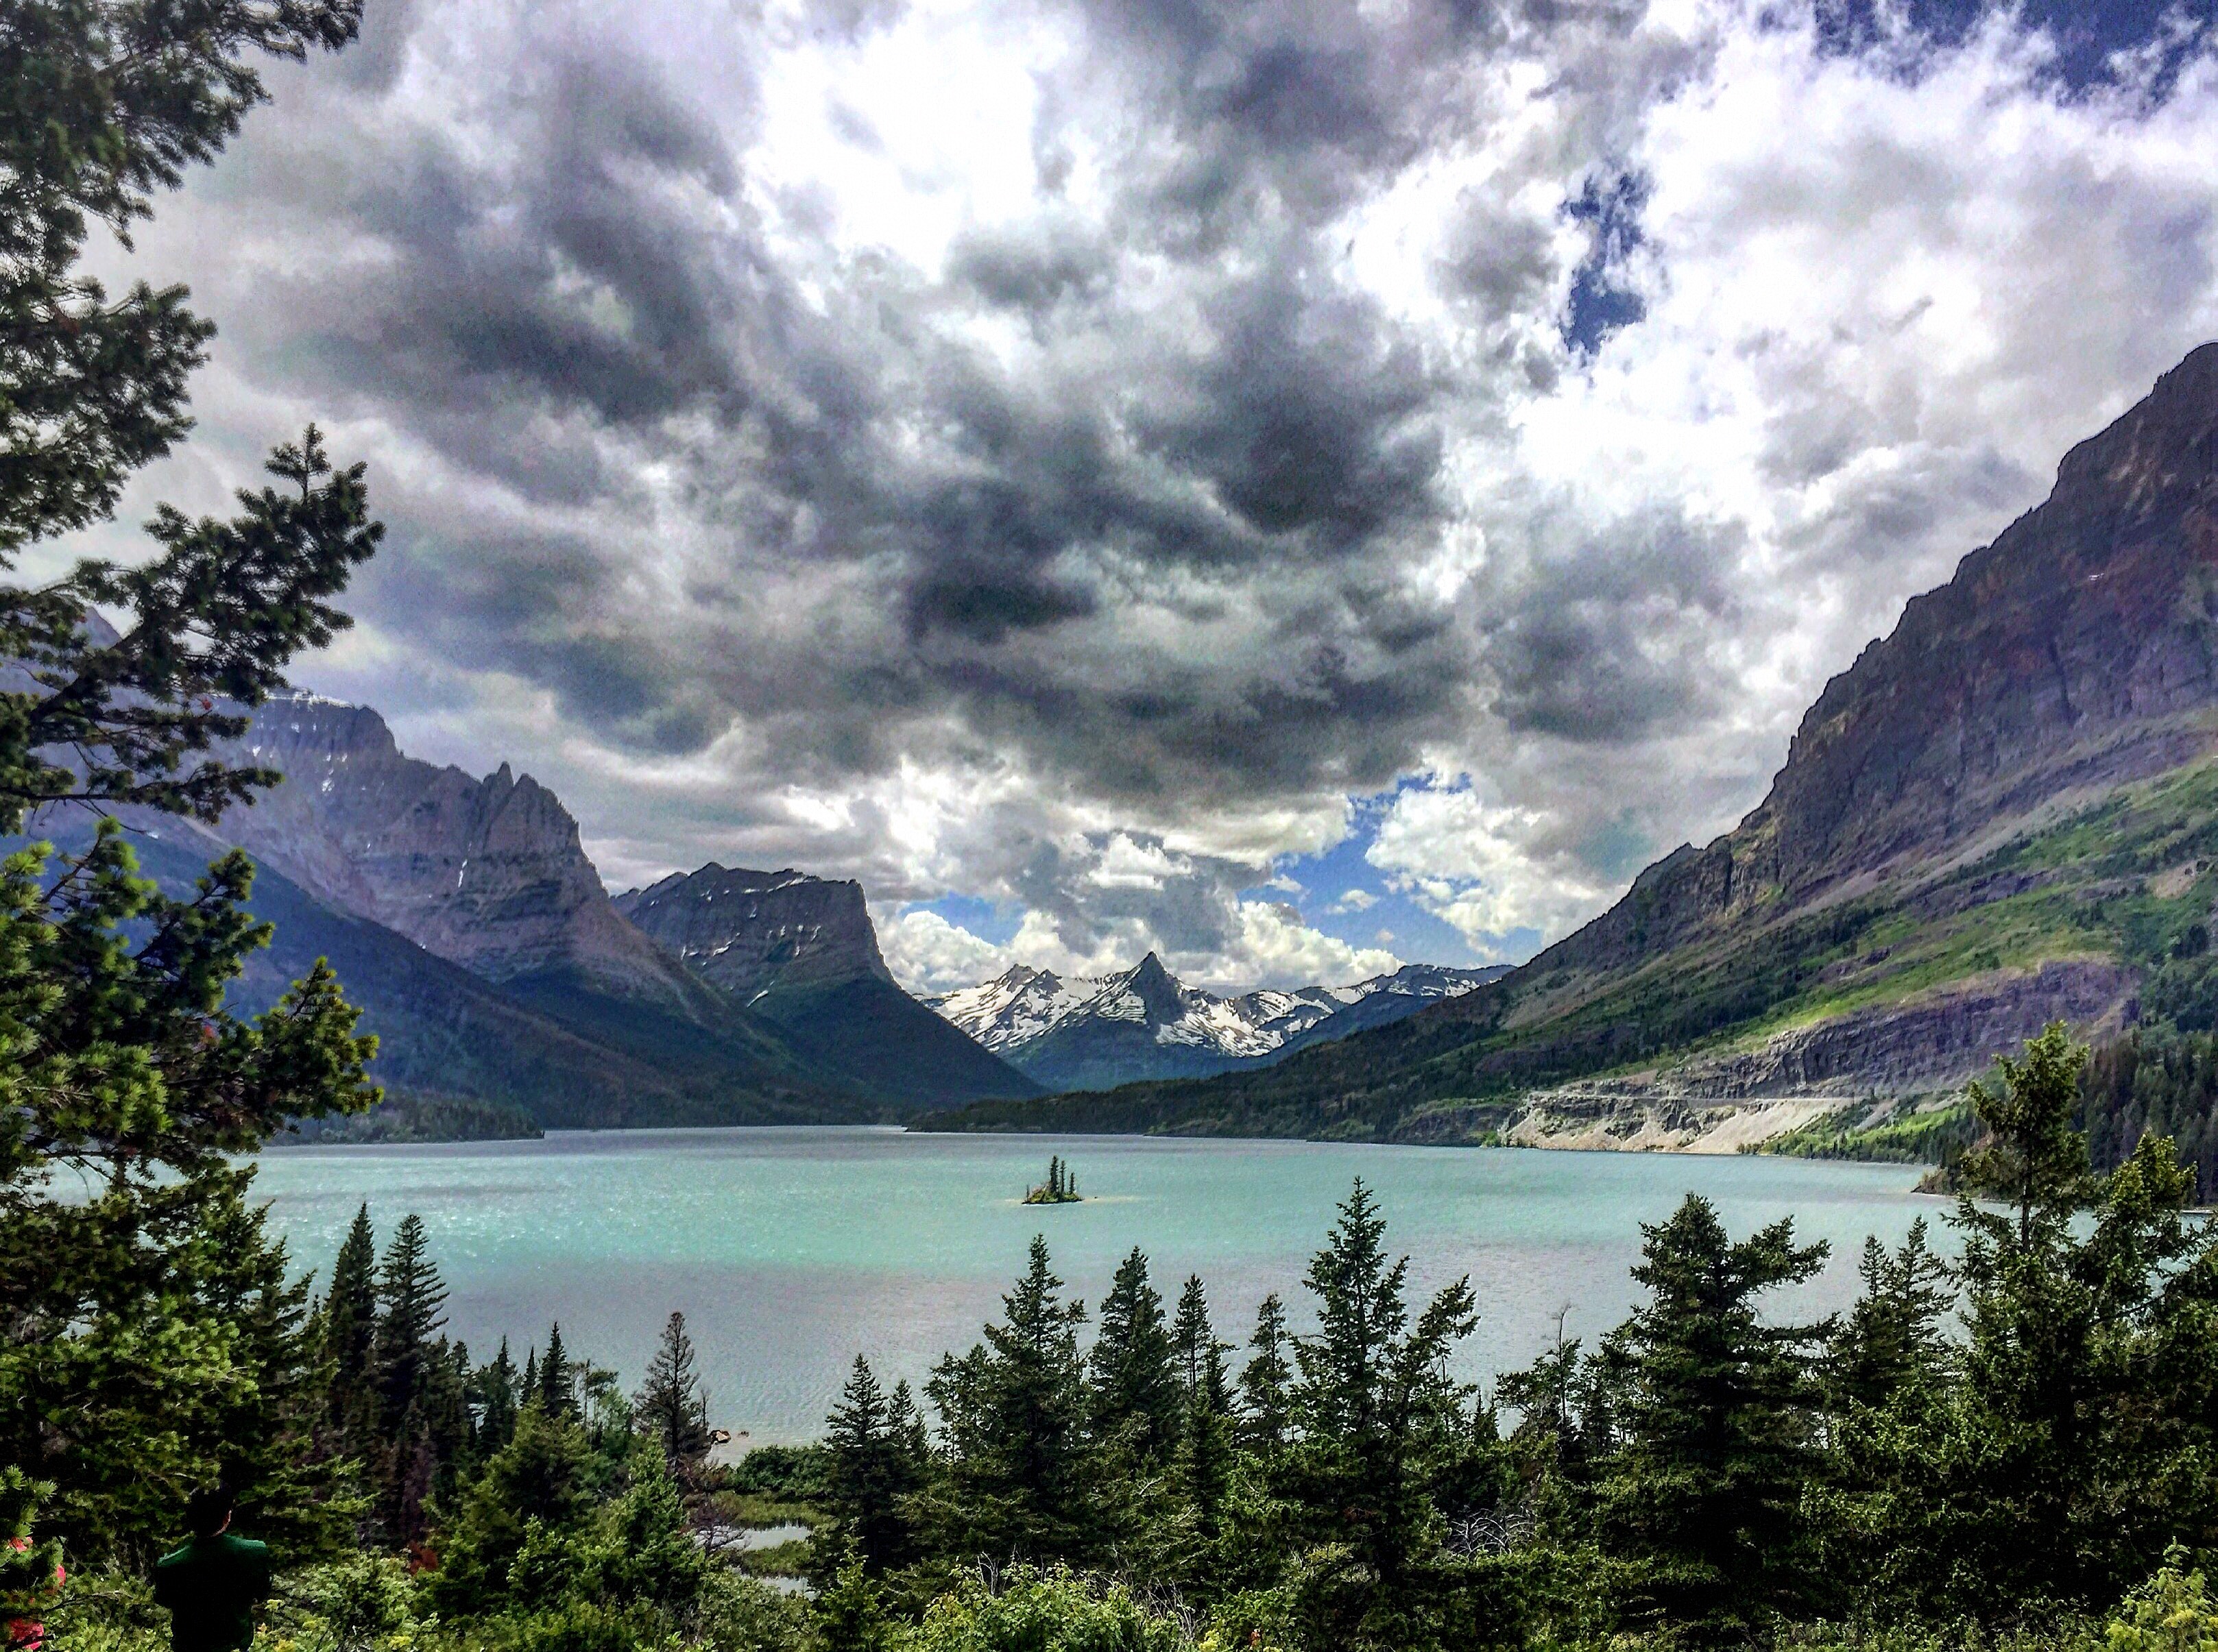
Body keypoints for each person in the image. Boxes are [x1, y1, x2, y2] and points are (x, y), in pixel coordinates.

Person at [151, 1487, 271, 1652]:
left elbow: (163, 1599)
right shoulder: (253, 1552)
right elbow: (262, 1592)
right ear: (227, 1518)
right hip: (235, 1647)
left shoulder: (170, 1565)